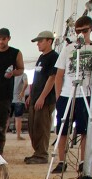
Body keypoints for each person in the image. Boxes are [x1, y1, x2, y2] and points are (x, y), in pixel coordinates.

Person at [52, 16, 92, 173]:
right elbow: (59, 74)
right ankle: (61, 161)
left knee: (85, 130)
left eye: (85, 31)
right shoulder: (68, 48)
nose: (81, 34)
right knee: (62, 130)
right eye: (78, 31)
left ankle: (83, 160)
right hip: (67, 94)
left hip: (86, 94)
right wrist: (58, 97)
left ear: (90, 29)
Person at [24, 30, 59, 164]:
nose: (37, 44)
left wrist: (42, 97)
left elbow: (52, 78)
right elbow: (37, 78)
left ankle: (42, 154)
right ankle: (37, 152)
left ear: (49, 41)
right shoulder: (41, 58)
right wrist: (31, 96)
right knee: (33, 127)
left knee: (42, 127)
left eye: (40, 41)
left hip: (45, 99)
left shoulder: (53, 57)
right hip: (35, 97)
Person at [12, 71, 29, 139]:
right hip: (19, 99)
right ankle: (18, 136)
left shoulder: (11, 74)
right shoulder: (23, 74)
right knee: (18, 118)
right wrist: (22, 92)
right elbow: (26, 83)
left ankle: (3, 135)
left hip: (10, 98)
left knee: (6, 118)